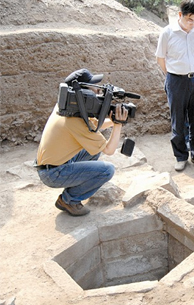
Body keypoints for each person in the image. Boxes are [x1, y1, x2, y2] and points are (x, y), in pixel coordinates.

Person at [35, 69, 129, 216]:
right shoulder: (75, 121)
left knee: (94, 150)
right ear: (81, 91)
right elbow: (109, 150)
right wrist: (118, 125)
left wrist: (112, 120)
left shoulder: (65, 107)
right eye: (93, 87)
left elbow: (93, 125)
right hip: (53, 173)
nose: (98, 90)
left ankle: (78, 186)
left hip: (53, 164)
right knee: (107, 170)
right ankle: (68, 200)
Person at [155, 0, 194, 172]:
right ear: (180, 15)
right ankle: (180, 156)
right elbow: (160, 58)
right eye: (189, 19)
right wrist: (171, 76)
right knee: (178, 121)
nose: (193, 24)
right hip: (176, 80)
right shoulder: (168, 32)